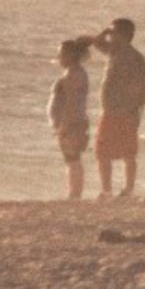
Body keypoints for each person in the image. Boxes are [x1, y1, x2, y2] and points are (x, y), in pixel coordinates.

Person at [90, 18, 145, 199]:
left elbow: (143, 87)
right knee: (102, 152)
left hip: (126, 111)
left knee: (128, 153)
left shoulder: (135, 58)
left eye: (115, 32)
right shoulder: (114, 52)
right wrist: (106, 30)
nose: (111, 36)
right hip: (109, 110)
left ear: (124, 35)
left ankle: (128, 189)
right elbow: (97, 42)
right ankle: (106, 189)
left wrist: (136, 110)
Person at [47, 38, 94, 200]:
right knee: (70, 158)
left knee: (72, 157)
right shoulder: (73, 73)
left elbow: (72, 103)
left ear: (70, 56)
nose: (59, 58)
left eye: (61, 55)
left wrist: (64, 125)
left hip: (72, 122)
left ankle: (75, 193)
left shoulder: (75, 74)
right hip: (71, 122)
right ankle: (74, 192)